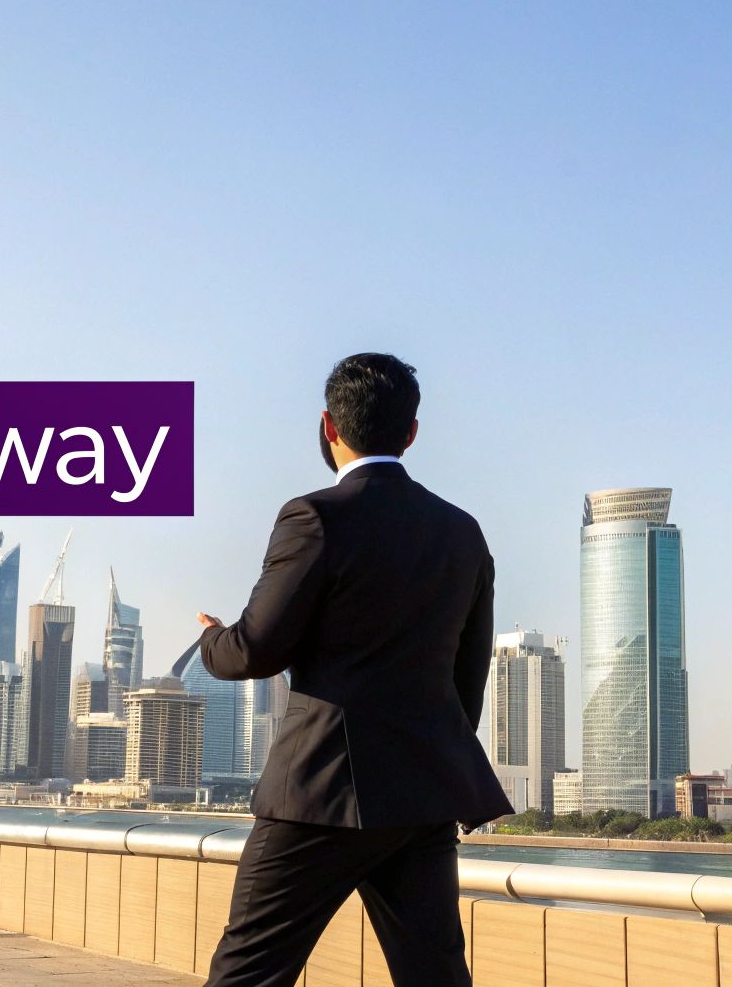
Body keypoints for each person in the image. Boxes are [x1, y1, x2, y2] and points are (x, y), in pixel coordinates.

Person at [195, 352, 509, 987]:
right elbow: (466, 684)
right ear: (412, 432)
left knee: (248, 972)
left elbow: (256, 647)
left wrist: (210, 643)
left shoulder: (314, 517)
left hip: (318, 794)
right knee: (437, 978)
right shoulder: (462, 533)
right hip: (422, 796)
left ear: (328, 427)